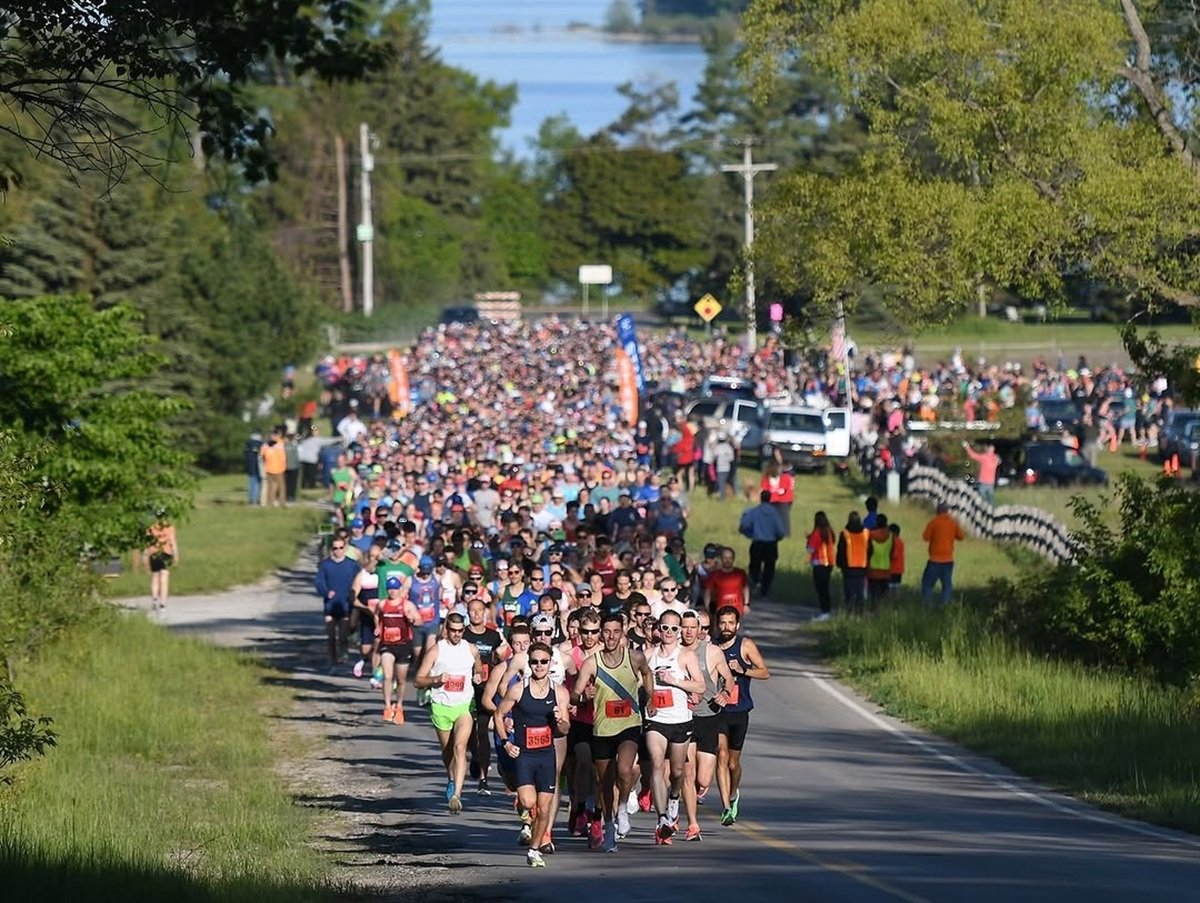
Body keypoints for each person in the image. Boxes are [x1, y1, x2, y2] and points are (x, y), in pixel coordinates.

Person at [572, 611, 655, 853]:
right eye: (606, 632)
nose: (610, 637)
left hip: (629, 724)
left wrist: (650, 697)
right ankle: (609, 826)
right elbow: (575, 694)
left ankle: (622, 809)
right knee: (604, 782)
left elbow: (647, 673)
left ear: (622, 633)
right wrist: (583, 696)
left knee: (625, 769)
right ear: (601, 633)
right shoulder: (592, 663)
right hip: (602, 729)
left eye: (615, 632)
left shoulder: (635, 657)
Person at [494, 640, 571, 869]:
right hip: (525, 755)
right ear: (529, 664)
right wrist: (506, 743)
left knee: (545, 808)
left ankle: (534, 849)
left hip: (546, 755)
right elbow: (498, 715)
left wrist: (559, 721)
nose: (539, 666)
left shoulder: (560, 692)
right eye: (535, 662)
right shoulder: (518, 690)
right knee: (529, 802)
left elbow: (565, 728)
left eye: (543, 662)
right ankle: (530, 822)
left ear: (550, 663)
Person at [643, 609, 706, 845]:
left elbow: (700, 687)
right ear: (658, 630)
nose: (668, 632)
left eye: (673, 628)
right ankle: (662, 820)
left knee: (678, 772)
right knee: (657, 765)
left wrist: (675, 681)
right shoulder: (648, 655)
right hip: (656, 719)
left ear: (679, 631)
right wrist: (647, 697)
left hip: (680, 720)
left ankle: (673, 798)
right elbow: (637, 683)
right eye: (665, 627)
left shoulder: (686, 656)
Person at [414, 611, 483, 814]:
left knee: (460, 748)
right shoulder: (436, 650)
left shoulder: (471, 649)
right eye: (453, 630)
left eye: (460, 631)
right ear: (446, 629)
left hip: (464, 705)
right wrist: (436, 680)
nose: (456, 634)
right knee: (448, 753)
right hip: (441, 706)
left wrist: (478, 675)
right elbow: (418, 680)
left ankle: (457, 795)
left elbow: (479, 669)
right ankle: (451, 779)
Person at [680, 608, 735, 841]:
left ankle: (686, 799)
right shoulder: (674, 652)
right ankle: (692, 824)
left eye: (694, 628)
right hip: (683, 718)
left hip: (709, 717)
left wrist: (725, 692)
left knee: (702, 779)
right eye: (685, 627)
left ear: (700, 630)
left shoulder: (711, 652)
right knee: (687, 772)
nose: (689, 632)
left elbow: (729, 678)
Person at [714, 605, 770, 826]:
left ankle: (733, 793)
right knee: (721, 755)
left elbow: (765, 672)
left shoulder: (745, 645)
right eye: (723, 623)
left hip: (739, 710)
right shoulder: (712, 647)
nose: (726, 627)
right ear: (718, 625)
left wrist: (743, 670)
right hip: (718, 710)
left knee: (733, 763)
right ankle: (726, 808)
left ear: (737, 625)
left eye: (730, 623)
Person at [465, 598, 507, 794]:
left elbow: (500, 659)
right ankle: (474, 755)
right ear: (467, 613)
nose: (476, 614)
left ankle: (483, 778)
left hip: (485, 690)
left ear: (485, 613)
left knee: (482, 731)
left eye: (480, 610)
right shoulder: (463, 635)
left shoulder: (493, 636)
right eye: (472, 610)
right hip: (466, 690)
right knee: (469, 732)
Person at [375, 574, 422, 724]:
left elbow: (419, 620)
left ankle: (399, 705)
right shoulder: (382, 604)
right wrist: (377, 627)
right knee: (387, 676)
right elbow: (376, 615)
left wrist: (411, 619)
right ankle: (387, 706)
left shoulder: (407, 605)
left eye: (395, 588)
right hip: (387, 645)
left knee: (401, 679)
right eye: (390, 589)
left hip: (403, 645)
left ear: (400, 589)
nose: (392, 591)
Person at [314, 537, 359, 671]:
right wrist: (326, 592)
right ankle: (333, 658)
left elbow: (358, 581)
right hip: (330, 606)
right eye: (335, 548)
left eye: (340, 548)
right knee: (331, 635)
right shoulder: (326, 565)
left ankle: (343, 654)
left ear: (345, 548)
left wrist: (355, 597)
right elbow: (319, 582)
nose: (338, 551)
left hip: (346, 605)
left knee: (344, 634)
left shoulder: (352, 565)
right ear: (331, 549)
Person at [738, 490, 786, 599]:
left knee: (755, 566)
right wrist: (776, 538)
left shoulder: (755, 511)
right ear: (770, 499)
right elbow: (781, 531)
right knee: (769, 568)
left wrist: (749, 534)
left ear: (761, 498)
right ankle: (765, 589)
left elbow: (744, 524)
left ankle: (755, 584)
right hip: (770, 544)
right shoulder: (775, 514)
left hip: (758, 543)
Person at [921, 502, 965, 604]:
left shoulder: (934, 522)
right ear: (947, 511)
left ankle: (928, 605)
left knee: (927, 584)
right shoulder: (953, 522)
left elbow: (925, 537)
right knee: (947, 585)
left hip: (934, 559)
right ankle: (945, 605)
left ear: (938, 511)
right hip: (948, 560)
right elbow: (961, 537)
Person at [145, 509, 178, 612]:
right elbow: (172, 542)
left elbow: (147, 543)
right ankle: (163, 603)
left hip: (154, 553)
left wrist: (145, 555)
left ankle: (154, 600)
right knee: (164, 578)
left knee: (155, 577)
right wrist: (176, 555)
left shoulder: (151, 528)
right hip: (166, 553)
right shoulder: (169, 528)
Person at [703, 546, 750, 617]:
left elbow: (745, 588)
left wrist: (746, 604)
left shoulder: (740, 573)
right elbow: (707, 591)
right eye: (725, 558)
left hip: (738, 611)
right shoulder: (714, 575)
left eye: (730, 558)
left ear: (733, 559)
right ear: (721, 558)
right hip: (721, 611)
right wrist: (707, 607)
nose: (728, 560)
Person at [806, 511, 836, 621]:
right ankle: (827, 610)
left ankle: (824, 611)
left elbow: (810, 549)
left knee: (820, 589)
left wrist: (808, 541)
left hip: (819, 563)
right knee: (826, 587)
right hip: (829, 563)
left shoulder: (817, 532)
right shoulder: (829, 532)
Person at [836, 511, 868, 614]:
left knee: (849, 593)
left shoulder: (845, 534)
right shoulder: (866, 533)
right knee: (860, 593)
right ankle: (860, 613)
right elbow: (870, 550)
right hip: (862, 567)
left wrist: (840, 564)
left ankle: (849, 612)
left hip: (848, 569)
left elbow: (841, 551)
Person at [760, 460, 795, 537]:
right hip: (770, 500)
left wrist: (772, 494)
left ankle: (785, 534)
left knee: (783, 516)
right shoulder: (765, 479)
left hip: (784, 500)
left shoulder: (785, 478)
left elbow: (783, 491)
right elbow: (763, 490)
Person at [865, 513, 893, 604]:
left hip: (873, 570)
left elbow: (868, 551)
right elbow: (892, 551)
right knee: (883, 596)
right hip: (886, 569)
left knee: (874, 595)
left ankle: (874, 609)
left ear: (876, 522)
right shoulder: (890, 535)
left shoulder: (870, 535)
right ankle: (882, 610)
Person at [963, 441, 1000, 505]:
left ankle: (983, 509)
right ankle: (991, 510)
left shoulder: (984, 457)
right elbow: (999, 461)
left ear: (988, 449)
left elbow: (973, 455)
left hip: (983, 482)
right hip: (991, 482)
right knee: (990, 500)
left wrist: (967, 447)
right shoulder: (996, 458)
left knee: (982, 500)